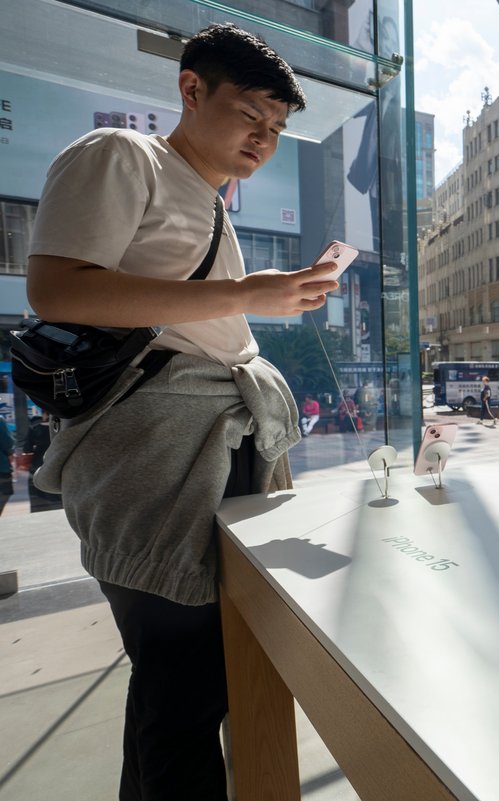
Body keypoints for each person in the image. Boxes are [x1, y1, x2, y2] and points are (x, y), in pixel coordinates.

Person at [25, 23, 330, 799]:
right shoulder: (123, 157)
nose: (265, 138)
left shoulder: (211, 205)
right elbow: (57, 288)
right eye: (252, 114)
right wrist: (244, 295)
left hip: (207, 447)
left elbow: (191, 320)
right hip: (155, 459)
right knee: (185, 695)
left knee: (194, 690)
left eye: (278, 128)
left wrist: (262, 297)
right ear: (191, 90)